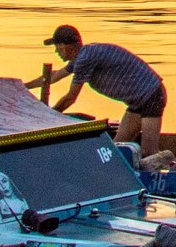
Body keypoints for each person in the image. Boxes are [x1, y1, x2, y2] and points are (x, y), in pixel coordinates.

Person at [38, 25, 166, 160]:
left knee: (149, 153)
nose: (56, 51)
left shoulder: (84, 59)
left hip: (152, 95)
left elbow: (70, 98)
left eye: (57, 47)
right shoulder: (82, 56)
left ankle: (173, 167)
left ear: (65, 47)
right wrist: (25, 87)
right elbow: (53, 76)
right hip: (137, 102)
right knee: (116, 150)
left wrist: (50, 116)